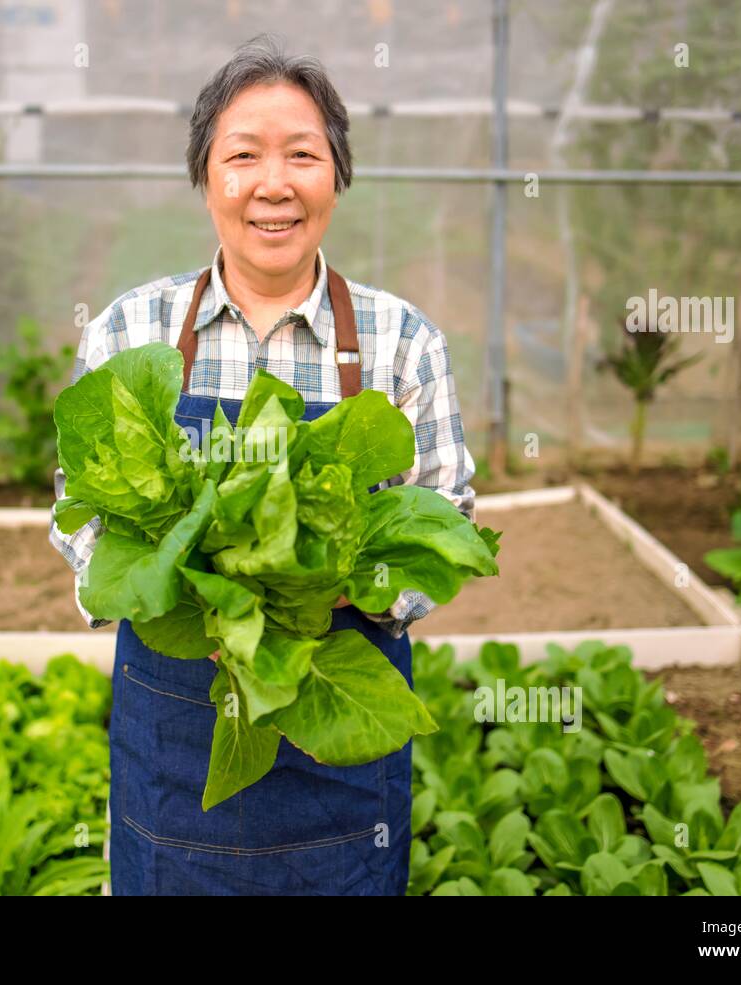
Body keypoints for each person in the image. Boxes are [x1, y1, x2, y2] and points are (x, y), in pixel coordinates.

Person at [48, 33, 476, 896]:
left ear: (336, 177)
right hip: (178, 742)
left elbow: (447, 516)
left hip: (338, 753)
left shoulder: (401, 343)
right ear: (207, 177)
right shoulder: (130, 332)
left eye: (303, 155)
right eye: (242, 155)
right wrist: (194, 601)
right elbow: (82, 515)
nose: (273, 184)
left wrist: (339, 585)